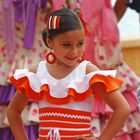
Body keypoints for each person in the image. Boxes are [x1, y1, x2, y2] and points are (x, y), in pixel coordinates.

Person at [7, 8, 130, 140]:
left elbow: (122, 108)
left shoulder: (87, 73)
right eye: (66, 45)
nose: (75, 52)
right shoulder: (37, 74)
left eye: (80, 44)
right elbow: (13, 111)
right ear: (50, 42)